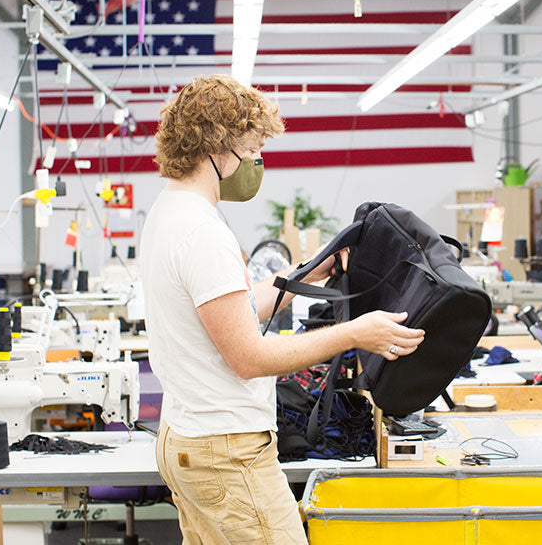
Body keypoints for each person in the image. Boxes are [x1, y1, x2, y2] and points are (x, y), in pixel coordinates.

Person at [140, 74, 425, 545]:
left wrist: (302, 277)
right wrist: (353, 332)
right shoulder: (203, 232)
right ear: (217, 145)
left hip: (187, 437)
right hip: (225, 452)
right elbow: (249, 357)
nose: (257, 159)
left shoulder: (169, 212)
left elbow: (227, 313)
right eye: (252, 147)